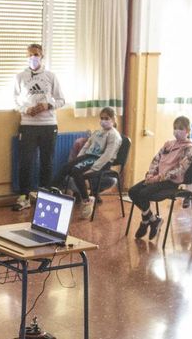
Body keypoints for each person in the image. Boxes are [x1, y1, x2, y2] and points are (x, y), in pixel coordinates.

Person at [13, 42, 67, 212]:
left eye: (36, 54)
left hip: (48, 125)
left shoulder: (51, 76)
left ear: (42, 56)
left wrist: (47, 105)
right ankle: (24, 197)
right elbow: (15, 101)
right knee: (26, 162)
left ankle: (45, 197)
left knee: (47, 162)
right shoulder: (20, 77)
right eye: (30, 55)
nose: (33, 58)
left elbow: (61, 100)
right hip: (28, 125)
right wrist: (26, 109)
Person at [130, 116, 192, 240]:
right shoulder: (168, 144)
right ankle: (153, 219)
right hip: (156, 178)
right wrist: (150, 174)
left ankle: (145, 222)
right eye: (175, 128)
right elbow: (156, 159)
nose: (177, 131)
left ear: (188, 130)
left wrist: (159, 178)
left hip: (170, 181)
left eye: (180, 128)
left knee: (143, 193)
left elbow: (180, 169)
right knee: (132, 191)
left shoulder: (188, 148)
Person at [48, 107, 123, 213]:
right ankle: (50, 192)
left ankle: (86, 200)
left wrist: (94, 168)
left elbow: (107, 155)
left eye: (106, 118)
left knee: (76, 171)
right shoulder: (98, 132)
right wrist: (78, 159)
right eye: (101, 118)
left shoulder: (114, 135)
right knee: (66, 167)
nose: (103, 120)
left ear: (113, 119)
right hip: (89, 156)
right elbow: (86, 146)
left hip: (100, 161)